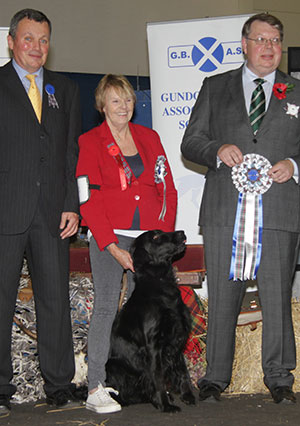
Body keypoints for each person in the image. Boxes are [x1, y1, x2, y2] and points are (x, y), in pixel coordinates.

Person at [181, 13, 300, 404]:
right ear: (244, 44)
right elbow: (191, 142)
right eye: (261, 39)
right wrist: (215, 150)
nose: (269, 47)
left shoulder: (296, 91)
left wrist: (293, 165)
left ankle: (279, 377)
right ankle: (215, 377)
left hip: (279, 213)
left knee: (277, 296)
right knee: (224, 294)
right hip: (223, 212)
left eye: (275, 40)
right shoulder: (215, 87)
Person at [76, 74, 177, 413]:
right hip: (110, 235)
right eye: (116, 100)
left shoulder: (150, 137)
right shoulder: (90, 141)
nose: (124, 106)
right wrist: (111, 245)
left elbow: (168, 189)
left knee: (146, 314)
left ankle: (146, 383)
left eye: (129, 100)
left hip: (147, 238)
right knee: (106, 306)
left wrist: (159, 238)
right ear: (102, 105)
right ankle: (95, 387)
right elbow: (87, 197)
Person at [0, 9, 82, 414]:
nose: (37, 47)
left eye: (44, 39)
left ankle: (59, 386)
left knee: (55, 300)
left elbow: (70, 153)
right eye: (29, 39)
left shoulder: (64, 90)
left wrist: (72, 204)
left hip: (53, 212)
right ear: (12, 41)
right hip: (5, 211)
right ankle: (0, 390)